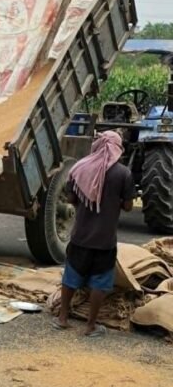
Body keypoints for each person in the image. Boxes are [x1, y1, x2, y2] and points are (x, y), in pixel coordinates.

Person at [53, 130, 133, 337]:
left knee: (71, 277)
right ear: (117, 147)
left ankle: (62, 319)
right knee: (100, 282)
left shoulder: (81, 168)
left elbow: (71, 199)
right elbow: (128, 206)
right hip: (105, 240)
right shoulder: (123, 174)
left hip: (80, 236)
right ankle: (90, 325)